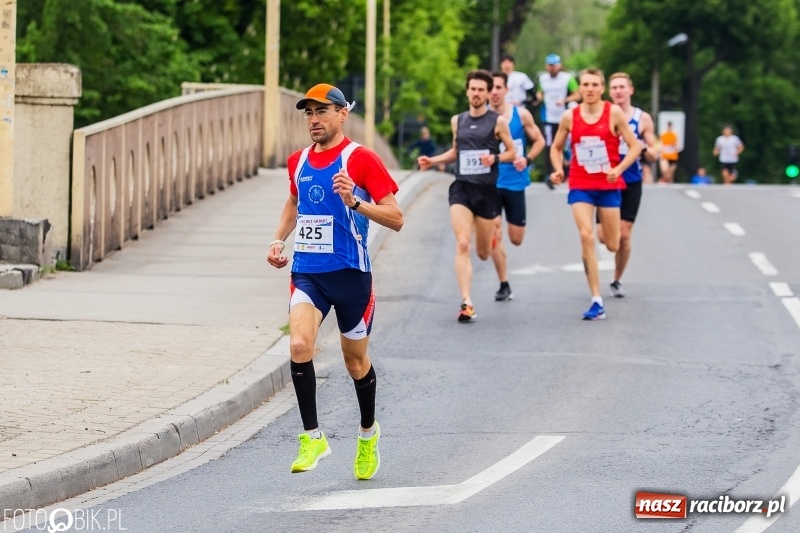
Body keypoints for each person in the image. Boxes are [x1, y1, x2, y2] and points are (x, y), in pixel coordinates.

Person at [267, 83, 404, 480]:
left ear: (343, 114)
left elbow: (396, 218)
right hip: (308, 273)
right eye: (308, 113)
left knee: (355, 362)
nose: (313, 120)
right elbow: (294, 200)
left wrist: (356, 202)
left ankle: (367, 434)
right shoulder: (298, 161)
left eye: (321, 111)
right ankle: (312, 437)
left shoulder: (361, 160)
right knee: (298, 344)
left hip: (351, 277)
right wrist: (279, 239)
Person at [417, 69, 516, 322]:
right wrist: (433, 160)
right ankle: (466, 301)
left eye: (481, 90)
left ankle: (490, 241)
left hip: (486, 192)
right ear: (467, 91)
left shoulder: (498, 121)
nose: (476, 93)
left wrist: (494, 157)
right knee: (462, 242)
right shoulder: (457, 120)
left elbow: (512, 153)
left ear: (488, 93)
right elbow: (455, 152)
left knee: (482, 252)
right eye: (473, 89)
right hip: (462, 188)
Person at [549, 68, 642, 320]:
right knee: (586, 235)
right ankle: (596, 299)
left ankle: (606, 277)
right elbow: (556, 148)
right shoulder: (570, 116)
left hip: (609, 185)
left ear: (602, 89)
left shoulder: (613, 113)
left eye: (594, 85)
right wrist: (558, 169)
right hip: (580, 184)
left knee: (613, 243)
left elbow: (635, 146)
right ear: (580, 89)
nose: (589, 89)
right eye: (585, 85)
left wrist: (619, 169)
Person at [596, 72, 657, 299]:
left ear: (630, 90)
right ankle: (612, 253)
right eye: (614, 88)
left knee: (624, 235)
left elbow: (654, 153)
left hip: (630, 181)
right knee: (603, 236)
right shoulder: (602, 115)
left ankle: (617, 278)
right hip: (605, 181)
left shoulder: (642, 119)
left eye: (622, 87)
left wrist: (641, 148)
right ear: (609, 92)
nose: (618, 91)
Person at [488, 71, 546, 301]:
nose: (493, 92)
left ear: (506, 90)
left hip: (515, 182)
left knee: (516, 238)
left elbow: (540, 140)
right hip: (490, 183)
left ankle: (504, 280)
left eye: (498, 88)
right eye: (490, 88)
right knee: (495, 232)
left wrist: (528, 159)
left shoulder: (520, 115)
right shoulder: (481, 118)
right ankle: (504, 283)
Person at [534, 53, 580, 186]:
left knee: (565, 145)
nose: (552, 68)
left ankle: (567, 171)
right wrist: (538, 98)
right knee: (549, 145)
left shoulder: (567, 78)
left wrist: (565, 100)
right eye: (549, 66)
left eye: (554, 65)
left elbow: (577, 94)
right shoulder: (543, 79)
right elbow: (540, 93)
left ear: (559, 65)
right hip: (548, 117)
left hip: (564, 117)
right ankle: (551, 174)